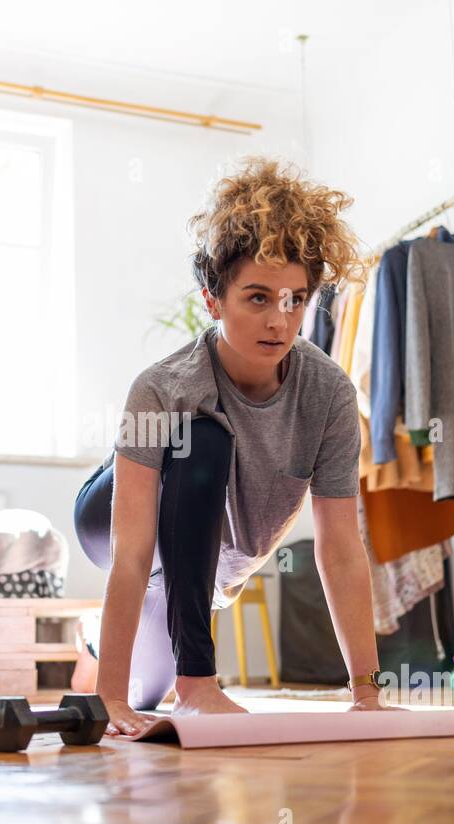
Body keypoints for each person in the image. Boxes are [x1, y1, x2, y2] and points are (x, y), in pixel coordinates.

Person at [72, 156, 390, 738]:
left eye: (297, 298)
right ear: (214, 301)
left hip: (201, 566)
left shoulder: (329, 396)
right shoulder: (162, 387)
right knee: (204, 439)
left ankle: (99, 650)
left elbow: (340, 547)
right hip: (115, 516)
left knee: (147, 689)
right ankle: (196, 684)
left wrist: (366, 694)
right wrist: (109, 701)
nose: (280, 319)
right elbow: (134, 552)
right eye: (258, 297)